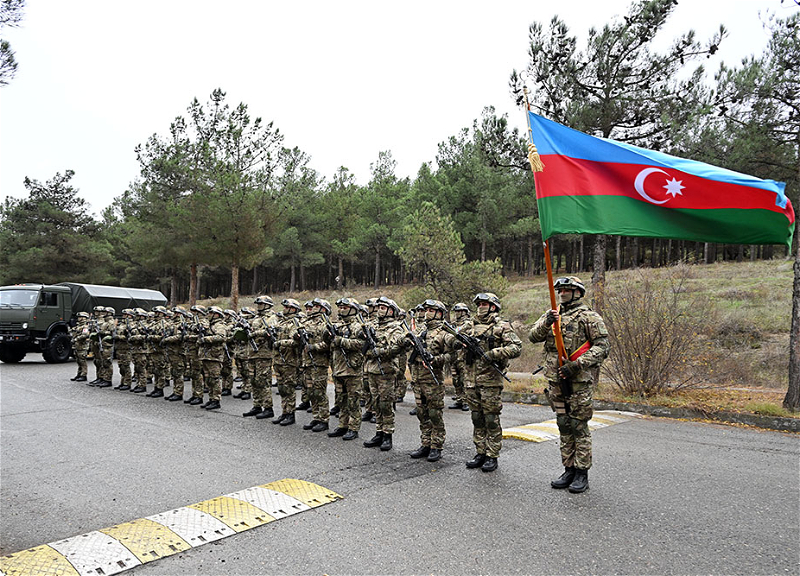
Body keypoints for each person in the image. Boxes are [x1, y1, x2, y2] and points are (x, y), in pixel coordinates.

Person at [528, 276, 609, 493]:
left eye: (567, 290)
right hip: (556, 381)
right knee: (563, 425)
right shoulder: (552, 314)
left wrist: (578, 364)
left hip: (578, 381)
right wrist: (547, 321)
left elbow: (602, 346)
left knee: (578, 426)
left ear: (578, 293)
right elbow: (533, 336)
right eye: (560, 290)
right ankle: (568, 468)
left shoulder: (589, 317)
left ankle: (582, 473)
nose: (562, 293)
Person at [461, 292, 521, 472]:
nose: (480, 306)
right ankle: (480, 452)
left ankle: (492, 455)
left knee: (491, 419)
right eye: (478, 303)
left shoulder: (501, 326)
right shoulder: (468, 325)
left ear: (493, 306)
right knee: (477, 418)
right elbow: (451, 341)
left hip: (490, 381)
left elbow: (516, 347)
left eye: (484, 303)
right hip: (471, 381)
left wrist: (494, 354)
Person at [406, 299, 450, 462]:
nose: (427, 313)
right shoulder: (420, 331)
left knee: (434, 414)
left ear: (439, 313)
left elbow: (453, 354)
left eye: (431, 310)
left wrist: (435, 359)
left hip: (432, 381)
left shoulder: (444, 333)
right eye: (426, 310)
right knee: (422, 413)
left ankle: (436, 446)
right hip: (417, 379)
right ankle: (425, 443)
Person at [362, 296, 404, 451]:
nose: (378, 310)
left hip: (385, 371)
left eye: (382, 307)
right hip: (372, 370)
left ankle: (388, 435)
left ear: (390, 311)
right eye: (378, 307)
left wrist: (377, 351)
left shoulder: (395, 328)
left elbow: (395, 349)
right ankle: (379, 432)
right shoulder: (373, 325)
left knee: (385, 404)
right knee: (376, 403)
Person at [328, 298, 366, 440]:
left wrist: (341, 341)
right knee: (341, 400)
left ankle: (353, 428)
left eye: (345, 307)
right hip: (339, 368)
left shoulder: (359, 326)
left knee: (353, 401)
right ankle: (342, 425)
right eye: (340, 307)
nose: (342, 309)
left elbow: (361, 344)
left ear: (353, 309)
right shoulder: (338, 326)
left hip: (352, 369)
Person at [299, 298, 332, 432]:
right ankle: (316, 416)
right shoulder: (307, 322)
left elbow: (330, 343)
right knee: (311, 392)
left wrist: (314, 347)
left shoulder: (326, 323)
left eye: (316, 306)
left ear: (323, 309)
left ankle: (324, 419)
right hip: (307, 362)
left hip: (319, 363)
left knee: (319, 392)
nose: (312, 308)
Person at [272, 299, 302, 425]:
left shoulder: (295, 323)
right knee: (282, 388)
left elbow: (296, 342)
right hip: (278, 360)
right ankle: (284, 412)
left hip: (289, 360)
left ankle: (290, 414)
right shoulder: (281, 322)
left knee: (289, 389)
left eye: (286, 307)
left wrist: (280, 343)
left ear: (293, 309)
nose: (284, 309)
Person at [198, 306, 229, 410]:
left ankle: (216, 400)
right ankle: (211, 398)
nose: (209, 315)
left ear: (216, 314)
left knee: (215, 378)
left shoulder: (219, 325)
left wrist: (206, 339)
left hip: (214, 356)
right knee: (208, 378)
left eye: (211, 313)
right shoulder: (209, 325)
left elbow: (221, 337)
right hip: (207, 355)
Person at [448, 302, 472, 411]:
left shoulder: (469, 324)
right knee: (456, 380)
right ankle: (459, 399)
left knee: (464, 379)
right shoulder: (452, 324)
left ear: (464, 312)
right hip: (454, 356)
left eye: (459, 311)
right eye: (456, 311)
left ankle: (466, 401)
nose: (457, 313)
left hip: (464, 357)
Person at [69, 311, 91, 382]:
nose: (79, 318)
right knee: (78, 361)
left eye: (81, 317)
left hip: (82, 345)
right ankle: (79, 374)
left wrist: (77, 338)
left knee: (82, 361)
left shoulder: (85, 326)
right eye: (79, 317)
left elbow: (85, 335)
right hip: (77, 346)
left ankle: (84, 375)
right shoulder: (78, 326)